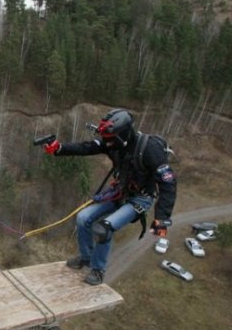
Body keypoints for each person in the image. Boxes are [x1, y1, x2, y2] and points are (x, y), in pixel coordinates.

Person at [43, 108, 176, 285]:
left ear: (123, 135)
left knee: (105, 228)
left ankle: (98, 270)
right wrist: (59, 149)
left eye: (110, 140)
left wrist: (162, 218)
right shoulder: (113, 143)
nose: (107, 143)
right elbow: (88, 147)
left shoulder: (150, 149)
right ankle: (86, 258)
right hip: (120, 192)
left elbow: (168, 183)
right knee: (83, 218)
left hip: (140, 199)